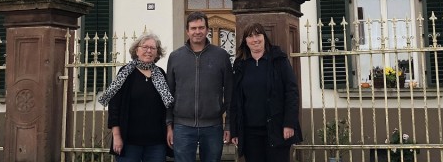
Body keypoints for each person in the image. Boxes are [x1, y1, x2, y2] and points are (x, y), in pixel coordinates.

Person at [229, 22, 302, 162]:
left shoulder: (279, 60)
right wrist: (235, 130)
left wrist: (289, 123)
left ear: (264, 37)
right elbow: (235, 99)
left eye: (258, 35)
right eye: (250, 36)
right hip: (250, 132)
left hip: (276, 128)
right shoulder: (240, 64)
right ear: (245, 41)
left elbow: (291, 92)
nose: (255, 39)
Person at [166, 12, 233, 162]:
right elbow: (169, 93)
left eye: (201, 27)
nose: (197, 31)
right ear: (187, 31)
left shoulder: (221, 56)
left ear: (207, 29)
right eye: (193, 28)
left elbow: (230, 93)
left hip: (213, 126)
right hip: (182, 126)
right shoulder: (175, 57)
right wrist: (169, 125)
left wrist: (228, 124)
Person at [99, 33, 174, 162]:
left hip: (156, 143)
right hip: (129, 142)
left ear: (157, 53)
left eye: (153, 48)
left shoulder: (161, 74)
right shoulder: (125, 73)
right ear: (136, 50)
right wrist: (116, 136)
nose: (149, 51)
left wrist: (169, 129)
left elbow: (168, 107)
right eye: (145, 47)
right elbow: (114, 105)